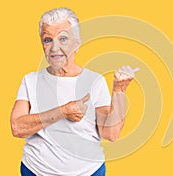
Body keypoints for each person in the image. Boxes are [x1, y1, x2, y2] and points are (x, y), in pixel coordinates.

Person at [10, 8, 139, 176]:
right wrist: (63, 111)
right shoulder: (30, 80)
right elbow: (17, 127)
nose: (54, 47)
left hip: (89, 172)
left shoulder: (94, 81)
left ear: (77, 43)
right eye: (48, 40)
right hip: (36, 170)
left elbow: (111, 133)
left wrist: (119, 89)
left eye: (63, 38)